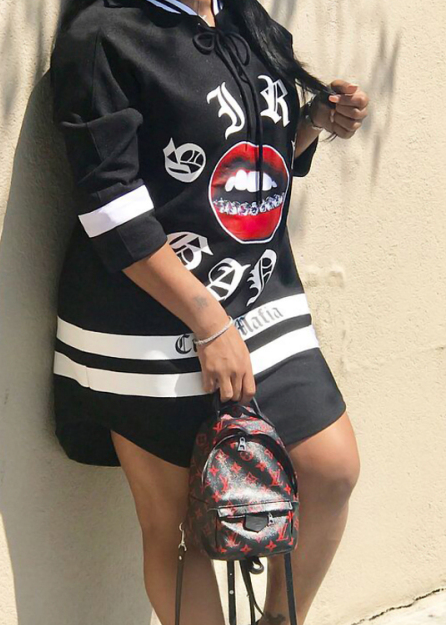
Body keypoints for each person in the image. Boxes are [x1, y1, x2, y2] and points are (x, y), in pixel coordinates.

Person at [49, 0, 370, 623]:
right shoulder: (106, 38)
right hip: (144, 322)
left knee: (331, 472)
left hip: (260, 299)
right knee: (178, 528)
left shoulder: (247, 20)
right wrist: (208, 323)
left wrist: (313, 121)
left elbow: (251, 156)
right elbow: (110, 209)